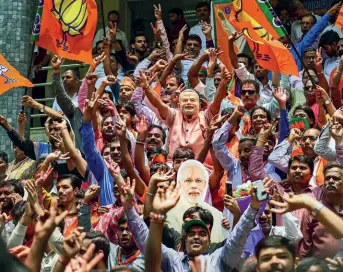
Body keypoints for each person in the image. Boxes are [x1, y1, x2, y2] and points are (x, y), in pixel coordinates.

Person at [166, 160, 228, 243]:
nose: (194, 186)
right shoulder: (169, 212)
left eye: (198, 181)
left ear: (205, 184)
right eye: (188, 180)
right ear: (179, 183)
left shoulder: (216, 215)